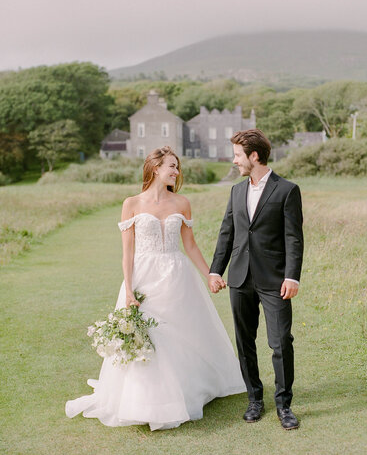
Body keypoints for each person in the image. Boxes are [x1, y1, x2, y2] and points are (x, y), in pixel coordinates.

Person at [65, 146, 246, 430]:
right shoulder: (132, 204)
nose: (176, 171)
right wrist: (128, 289)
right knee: (148, 336)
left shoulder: (182, 203)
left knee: (180, 334)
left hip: (177, 275)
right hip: (144, 276)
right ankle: (146, 401)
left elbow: (190, 245)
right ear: (154, 168)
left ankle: (184, 392)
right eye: (171, 166)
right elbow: (127, 252)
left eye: (177, 167)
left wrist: (210, 274)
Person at [208, 129, 303, 430]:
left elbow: (294, 239)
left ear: (254, 156)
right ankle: (254, 399)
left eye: (238, 155)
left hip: (275, 280)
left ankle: (284, 405)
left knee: (280, 342)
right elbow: (228, 233)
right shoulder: (236, 191)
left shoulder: (287, 190)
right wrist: (215, 270)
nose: (234, 160)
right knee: (244, 342)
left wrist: (292, 276)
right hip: (239, 277)